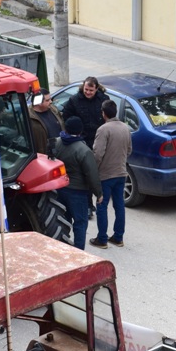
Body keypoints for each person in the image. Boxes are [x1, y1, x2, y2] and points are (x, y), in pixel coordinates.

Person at [54, 116, 101, 250]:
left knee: (63, 220)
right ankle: (78, 251)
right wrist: (98, 193)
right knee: (80, 223)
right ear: (80, 131)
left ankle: (62, 248)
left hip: (60, 189)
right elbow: (92, 174)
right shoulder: (84, 150)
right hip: (78, 192)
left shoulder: (56, 143)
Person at [90, 100, 131, 249]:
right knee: (119, 205)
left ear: (103, 113)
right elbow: (129, 150)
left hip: (106, 175)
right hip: (121, 173)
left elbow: (98, 154)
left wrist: (94, 170)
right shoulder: (125, 128)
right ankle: (118, 237)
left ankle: (102, 239)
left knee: (102, 205)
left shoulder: (103, 129)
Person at [61, 77, 108, 149]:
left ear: (96, 89)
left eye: (91, 90)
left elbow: (108, 117)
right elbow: (67, 117)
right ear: (83, 87)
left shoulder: (104, 99)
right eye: (86, 89)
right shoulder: (74, 100)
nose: (88, 92)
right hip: (81, 140)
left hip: (99, 138)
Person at [27, 90, 64, 157]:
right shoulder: (28, 118)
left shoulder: (53, 109)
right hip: (46, 157)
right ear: (38, 102)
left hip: (61, 151)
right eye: (47, 100)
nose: (51, 102)